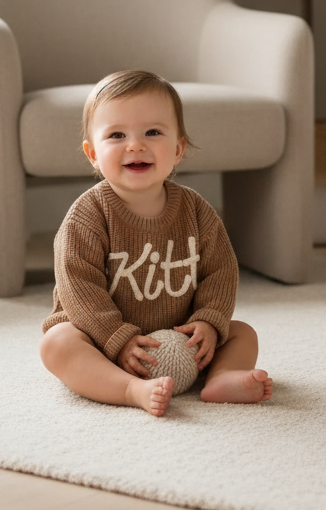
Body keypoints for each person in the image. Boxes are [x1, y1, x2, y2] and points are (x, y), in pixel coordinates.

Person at [39, 69, 273, 417]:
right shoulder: (86, 216)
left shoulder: (196, 210)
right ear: (92, 154)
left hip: (181, 338)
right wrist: (115, 338)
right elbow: (78, 286)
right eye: (117, 135)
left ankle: (221, 378)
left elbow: (221, 270)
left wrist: (208, 321)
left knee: (243, 333)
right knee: (57, 344)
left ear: (178, 149)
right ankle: (130, 388)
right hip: (104, 338)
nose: (136, 145)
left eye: (153, 132)